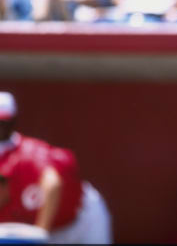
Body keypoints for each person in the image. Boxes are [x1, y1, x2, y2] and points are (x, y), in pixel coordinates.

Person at [0, 91, 112, 243]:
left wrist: (41, 232)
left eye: (3, 122)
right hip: (48, 230)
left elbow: (53, 183)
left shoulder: (29, 151)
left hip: (82, 217)